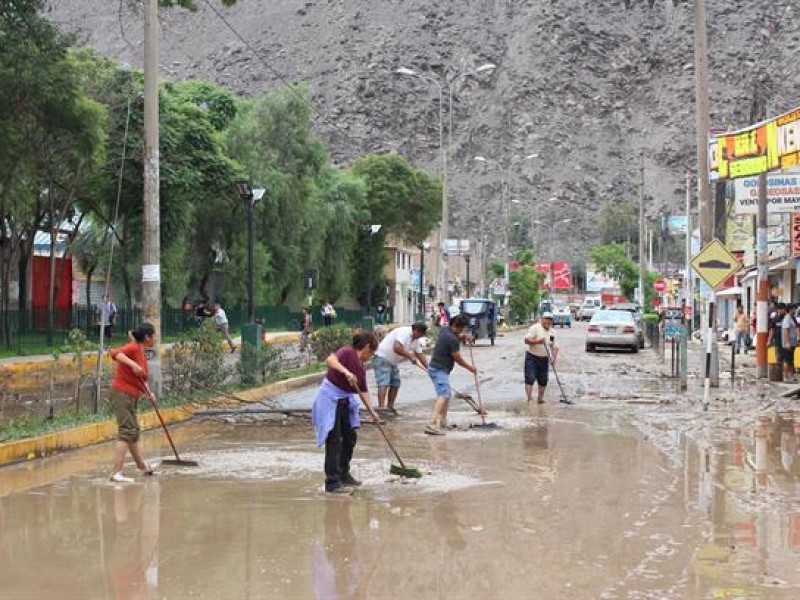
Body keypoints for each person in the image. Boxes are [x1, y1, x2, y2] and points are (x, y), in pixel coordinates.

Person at [311, 331, 379, 493]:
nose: (371, 356)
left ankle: (343, 473)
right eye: (372, 353)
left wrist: (372, 412)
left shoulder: (361, 368)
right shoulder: (347, 352)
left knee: (349, 437)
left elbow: (363, 391)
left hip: (345, 403)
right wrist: (345, 372)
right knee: (334, 440)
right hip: (329, 400)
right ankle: (332, 482)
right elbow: (330, 360)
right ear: (367, 348)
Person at [108, 322, 158, 483]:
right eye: (154, 335)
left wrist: (149, 393)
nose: (155, 338)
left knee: (133, 431)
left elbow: (142, 378)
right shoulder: (134, 348)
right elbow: (115, 353)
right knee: (127, 430)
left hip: (131, 395)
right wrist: (133, 364)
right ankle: (117, 472)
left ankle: (142, 467)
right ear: (147, 337)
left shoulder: (141, 351)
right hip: (122, 393)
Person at [425, 314, 477, 435]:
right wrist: (471, 368)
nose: (462, 331)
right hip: (439, 369)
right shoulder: (452, 340)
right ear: (457, 326)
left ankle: (442, 422)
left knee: (445, 395)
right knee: (444, 394)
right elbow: (458, 359)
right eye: (462, 328)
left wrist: (462, 337)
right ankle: (431, 423)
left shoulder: (445, 330)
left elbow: (454, 336)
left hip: (436, 368)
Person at [373, 322, 429, 413]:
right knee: (384, 383)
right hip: (383, 357)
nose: (420, 337)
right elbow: (397, 347)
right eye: (420, 334)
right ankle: (381, 408)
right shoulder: (405, 332)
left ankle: (390, 407)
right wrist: (410, 356)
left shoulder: (415, 340)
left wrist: (429, 369)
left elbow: (419, 354)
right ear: (416, 331)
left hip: (393, 361)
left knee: (395, 383)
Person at [524, 311, 560, 404]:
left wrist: (553, 358)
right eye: (546, 319)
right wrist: (537, 342)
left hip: (544, 358)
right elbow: (526, 340)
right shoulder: (535, 328)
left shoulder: (553, 332)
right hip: (532, 356)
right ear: (542, 320)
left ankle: (540, 399)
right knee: (530, 378)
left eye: (550, 320)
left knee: (543, 380)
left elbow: (555, 347)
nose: (548, 321)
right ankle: (529, 399)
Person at [781, 303, 797, 382]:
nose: (795, 310)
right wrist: (787, 342)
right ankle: (786, 377)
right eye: (794, 308)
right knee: (787, 360)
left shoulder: (791, 318)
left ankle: (791, 376)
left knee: (791, 360)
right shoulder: (787, 318)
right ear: (790, 309)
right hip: (788, 343)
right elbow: (786, 330)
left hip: (792, 342)